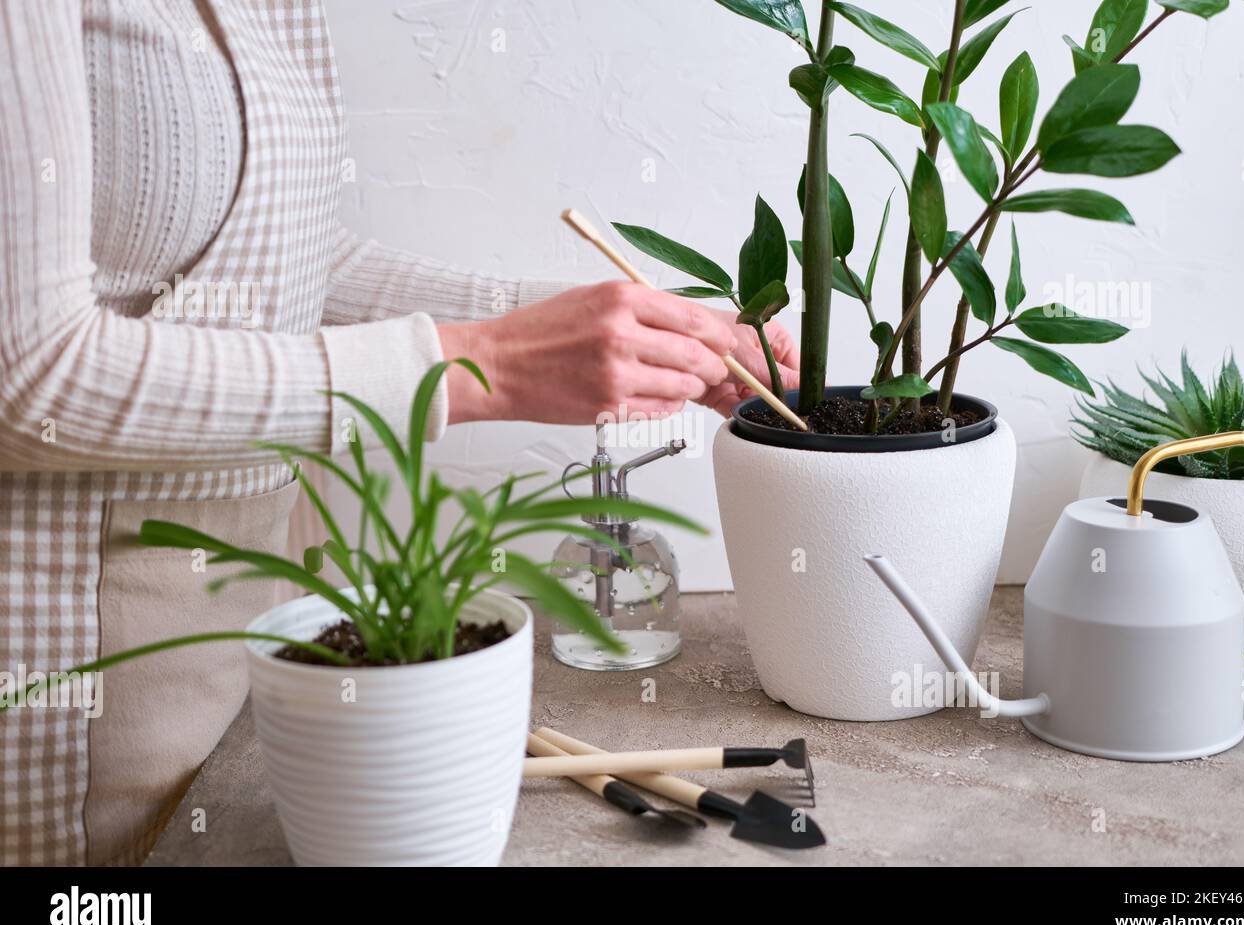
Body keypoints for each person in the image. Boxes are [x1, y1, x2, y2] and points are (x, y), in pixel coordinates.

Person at [0, 1, 798, 866]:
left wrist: (612, 337)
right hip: (60, 696)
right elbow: (28, 371)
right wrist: (476, 365)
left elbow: (288, 268)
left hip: (233, 672)